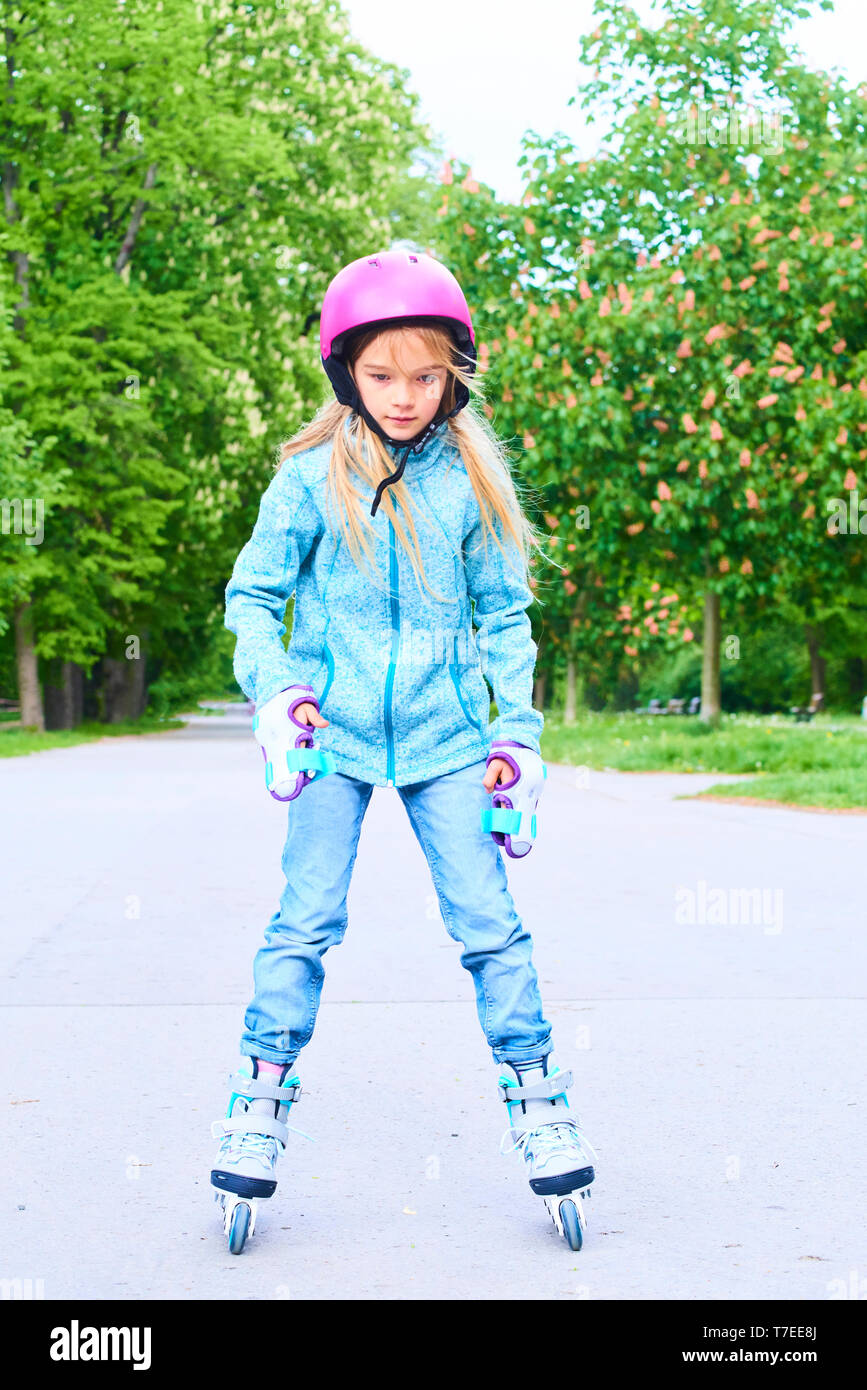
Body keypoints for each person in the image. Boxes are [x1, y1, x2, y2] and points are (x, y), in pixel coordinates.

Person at [209, 248, 596, 1251]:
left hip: (451, 737)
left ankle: (536, 1089)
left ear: (455, 372)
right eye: (383, 375)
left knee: (489, 924)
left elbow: (504, 616)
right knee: (304, 921)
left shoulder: (471, 480)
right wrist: (277, 691)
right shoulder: (309, 478)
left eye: (427, 375)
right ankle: (259, 1092)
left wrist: (517, 736)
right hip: (329, 735)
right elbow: (252, 597)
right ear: (347, 372)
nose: (406, 395)